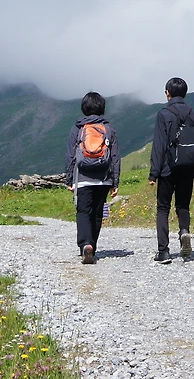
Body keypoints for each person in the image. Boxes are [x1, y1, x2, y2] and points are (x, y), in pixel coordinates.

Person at [148, 77, 194, 264]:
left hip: (168, 168)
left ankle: (163, 251)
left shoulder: (164, 114)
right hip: (188, 166)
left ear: (167, 93)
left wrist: (154, 173)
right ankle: (184, 231)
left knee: (163, 208)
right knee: (183, 205)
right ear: (185, 94)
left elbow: (159, 145)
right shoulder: (193, 113)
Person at [66, 92, 120, 265]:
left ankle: (85, 244)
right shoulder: (109, 129)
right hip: (103, 178)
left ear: (84, 108)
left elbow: (71, 156)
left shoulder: (78, 128)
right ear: (102, 108)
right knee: (97, 213)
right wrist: (115, 182)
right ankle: (92, 247)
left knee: (83, 212)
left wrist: (69, 179)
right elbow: (115, 157)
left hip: (82, 178)